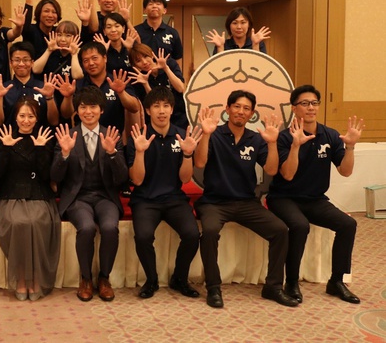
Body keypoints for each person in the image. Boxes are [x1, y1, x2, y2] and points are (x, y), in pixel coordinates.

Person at [193, 90, 298, 308]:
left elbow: (271, 169)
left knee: (280, 230)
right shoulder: (214, 133)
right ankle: (213, 287)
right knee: (210, 231)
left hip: (246, 202)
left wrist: (272, 143)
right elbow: (200, 163)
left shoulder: (256, 139)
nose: (241, 111)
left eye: (246, 108)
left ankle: (273, 287)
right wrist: (206, 135)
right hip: (214, 202)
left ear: (251, 113)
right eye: (237, 106)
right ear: (228, 109)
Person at [267, 85, 364, 304]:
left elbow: (345, 171)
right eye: (304, 103)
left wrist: (350, 147)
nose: (310, 107)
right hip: (283, 197)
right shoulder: (284, 137)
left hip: (315, 199)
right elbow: (287, 175)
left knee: (348, 224)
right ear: (294, 108)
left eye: (314, 103)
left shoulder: (330, 135)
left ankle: (336, 281)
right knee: (300, 225)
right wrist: (295, 146)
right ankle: (291, 281)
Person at [52, 86, 128, 302]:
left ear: (101, 110)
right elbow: (55, 175)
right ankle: (85, 279)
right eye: (83, 107)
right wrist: (64, 154)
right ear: (77, 111)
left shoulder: (111, 135)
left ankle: (104, 278)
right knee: (86, 228)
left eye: (93, 107)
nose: (88, 112)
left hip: (105, 197)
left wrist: (112, 153)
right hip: (78, 198)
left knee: (110, 228)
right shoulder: (67, 136)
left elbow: (122, 178)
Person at [127, 87, 202, 299]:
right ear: (148, 110)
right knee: (143, 236)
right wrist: (140, 152)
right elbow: (136, 180)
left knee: (192, 235)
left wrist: (187, 154)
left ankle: (179, 278)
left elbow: (185, 179)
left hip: (174, 198)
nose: (162, 111)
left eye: (166, 106)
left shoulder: (181, 135)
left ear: (172, 109)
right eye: (156, 106)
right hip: (145, 199)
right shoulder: (138, 136)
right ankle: (151, 280)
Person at [0, 99, 60, 301]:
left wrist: (40, 149)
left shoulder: (44, 137)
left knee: (38, 222)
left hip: (39, 193)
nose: (26, 120)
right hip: (11, 193)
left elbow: (46, 176)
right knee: (18, 223)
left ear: (37, 119)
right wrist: (5, 149)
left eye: (31, 116)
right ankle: (22, 278)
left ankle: (36, 278)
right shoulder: (5, 136)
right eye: (22, 116)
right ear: (15, 117)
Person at [60, 42, 141, 136]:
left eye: (94, 58)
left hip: (113, 137)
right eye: (86, 60)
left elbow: (135, 108)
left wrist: (121, 92)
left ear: (105, 58)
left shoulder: (118, 81)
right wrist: (67, 97)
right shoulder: (78, 84)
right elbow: (66, 114)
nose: (91, 63)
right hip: (83, 137)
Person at [0, 41, 58, 129]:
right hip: (9, 136)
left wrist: (49, 97)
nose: (21, 64)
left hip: (40, 136)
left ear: (32, 62)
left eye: (25, 60)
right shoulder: (3, 89)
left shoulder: (44, 87)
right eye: (17, 60)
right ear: (11, 63)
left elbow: (54, 121)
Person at [128, 43, 187, 129]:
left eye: (146, 56)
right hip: (156, 122)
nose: (144, 62)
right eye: (138, 61)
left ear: (152, 55)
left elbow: (180, 88)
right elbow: (153, 102)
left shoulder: (169, 63)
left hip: (179, 118)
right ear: (135, 65)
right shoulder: (139, 78)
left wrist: (165, 68)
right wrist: (145, 84)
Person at [134, 0, 183, 65]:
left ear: (164, 10)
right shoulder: (136, 31)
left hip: (166, 72)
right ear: (144, 10)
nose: (154, 6)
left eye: (158, 4)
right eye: (150, 4)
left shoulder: (172, 33)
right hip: (141, 72)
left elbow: (177, 59)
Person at [206, 7, 270, 54]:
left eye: (243, 22)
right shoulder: (223, 44)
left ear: (249, 24)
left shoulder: (259, 44)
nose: (239, 27)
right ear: (229, 25)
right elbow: (217, 67)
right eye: (235, 23)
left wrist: (255, 44)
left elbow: (262, 66)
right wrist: (220, 47)